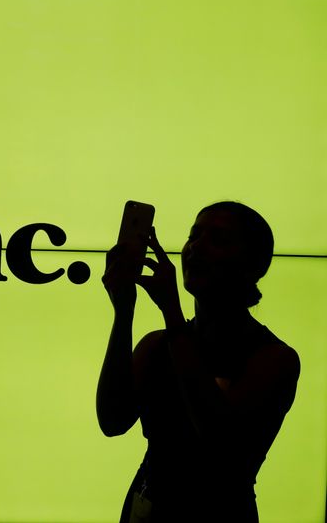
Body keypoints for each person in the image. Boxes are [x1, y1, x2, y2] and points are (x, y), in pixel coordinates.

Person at [97, 201, 301, 522]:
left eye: (217, 240)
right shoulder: (158, 344)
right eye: (194, 236)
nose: (195, 248)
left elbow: (220, 442)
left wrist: (171, 312)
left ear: (253, 264)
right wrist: (123, 312)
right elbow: (112, 420)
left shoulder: (274, 359)